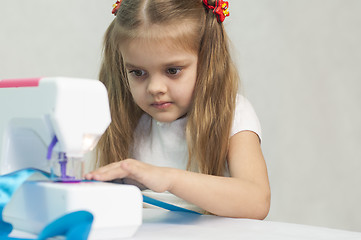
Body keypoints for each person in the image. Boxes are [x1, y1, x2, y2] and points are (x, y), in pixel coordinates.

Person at [85, 0, 270, 219]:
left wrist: (168, 179)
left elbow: (257, 202)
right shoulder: (129, 119)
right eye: (138, 73)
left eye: (172, 70)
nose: (155, 88)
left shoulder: (234, 114)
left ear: (207, 61)